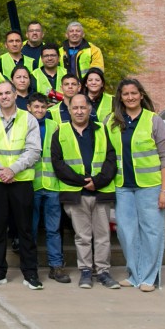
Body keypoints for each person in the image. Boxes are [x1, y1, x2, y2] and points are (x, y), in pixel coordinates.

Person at [106, 78, 165, 292]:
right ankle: (134, 274)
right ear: (120, 98)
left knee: (151, 231)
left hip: (150, 186)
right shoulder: (112, 121)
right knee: (126, 232)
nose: (130, 97)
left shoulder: (154, 120)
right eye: (125, 94)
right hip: (122, 186)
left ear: (141, 95)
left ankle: (149, 277)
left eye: (134, 93)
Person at [0, 81, 43, 290]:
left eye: (7, 93)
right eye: (0, 94)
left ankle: (30, 273)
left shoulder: (28, 119)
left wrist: (12, 170)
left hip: (20, 180)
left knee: (24, 229)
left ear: (15, 95)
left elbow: (34, 150)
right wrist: (0, 170)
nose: (4, 97)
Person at [50, 93, 119, 289]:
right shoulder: (60, 131)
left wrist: (97, 182)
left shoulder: (101, 130)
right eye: (75, 108)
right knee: (82, 236)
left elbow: (111, 160)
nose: (79, 111)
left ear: (90, 109)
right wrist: (82, 181)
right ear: (69, 110)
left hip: (100, 191)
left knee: (103, 235)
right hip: (76, 193)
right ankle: (86, 271)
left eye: (83, 107)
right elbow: (58, 163)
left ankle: (103, 272)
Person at [27, 93, 70, 285]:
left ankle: (56, 266)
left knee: (53, 229)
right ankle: (31, 266)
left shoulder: (54, 126)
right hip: (31, 184)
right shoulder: (24, 124)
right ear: (29, 107)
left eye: (43, 107)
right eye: (36, 107)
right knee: (31, 228)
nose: (39, 110)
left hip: (52, 185)